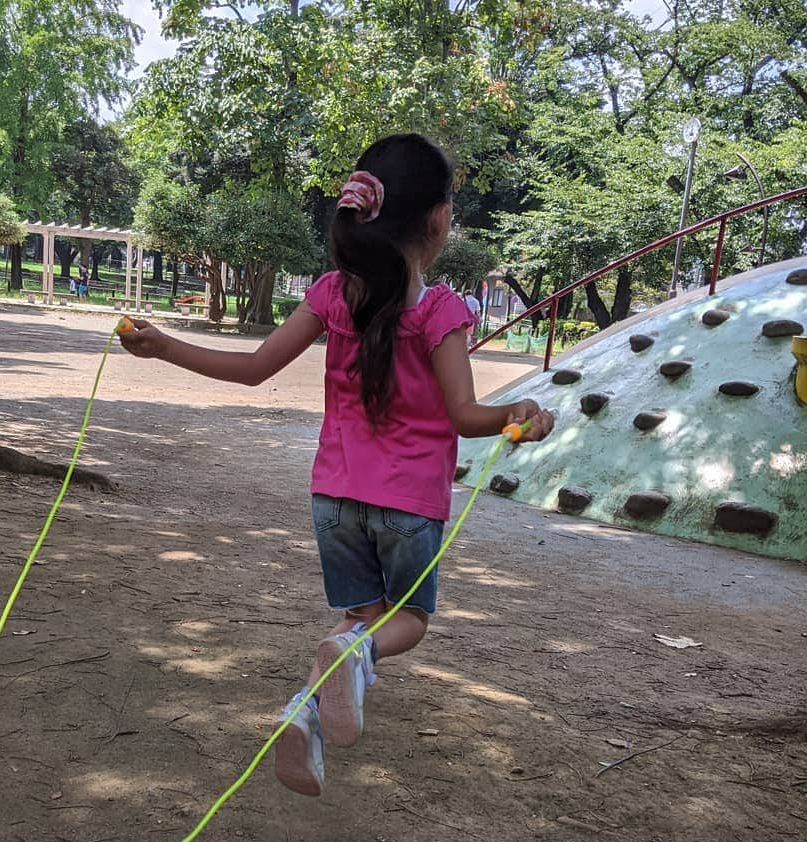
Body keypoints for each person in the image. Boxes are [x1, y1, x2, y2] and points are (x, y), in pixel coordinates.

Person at [117, 134, 554, 798]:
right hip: (408, 505)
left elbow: (253, 369)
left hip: (334, 501)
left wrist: (164, 347)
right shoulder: (442, 311)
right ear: (438, 221)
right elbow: (466, 415)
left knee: (357, 618)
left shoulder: (329, 295)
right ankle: (355, 659)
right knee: (404, 622)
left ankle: (305, 715)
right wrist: (518, 414)